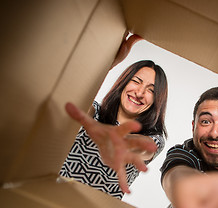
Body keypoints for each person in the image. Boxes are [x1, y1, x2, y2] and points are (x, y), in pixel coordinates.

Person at [59, 34, 168, 199]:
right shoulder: (93, 111)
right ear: (123, 83)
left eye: (151, 90)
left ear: (157, 100)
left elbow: (144, 147)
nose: (139, 93)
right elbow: (74, 87)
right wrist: (110, 62)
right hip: (52, 195)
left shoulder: (154, 138)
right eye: (136, 81)